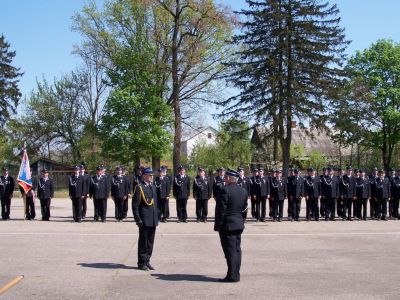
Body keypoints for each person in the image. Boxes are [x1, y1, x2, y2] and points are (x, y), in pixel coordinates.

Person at [214, 169, 247, 283]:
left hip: (227, 225)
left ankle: (232, 276)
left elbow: (221, 211)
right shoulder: (243, 191)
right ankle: (235, 273)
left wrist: (218, 226)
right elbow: (244, 209)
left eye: (225, 177)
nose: (224, 178)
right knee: (237, 250)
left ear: (229, 178)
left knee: (230, 251)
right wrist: (242, 220)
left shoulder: (225, 190)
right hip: (238, 223)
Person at [132, 167, 159, 271]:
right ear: (144, 176)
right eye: (149, 175)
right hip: (144, 220)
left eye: (152, 175)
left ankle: (147, 261)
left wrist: (157, 216)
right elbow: (135, 205)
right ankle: (141, 263)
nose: (151, 177)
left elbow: (155, 204)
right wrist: (138, 219)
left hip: (152, 219)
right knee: (143, 242)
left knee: (150, 242)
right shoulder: (139, 187)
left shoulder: (153, 187)